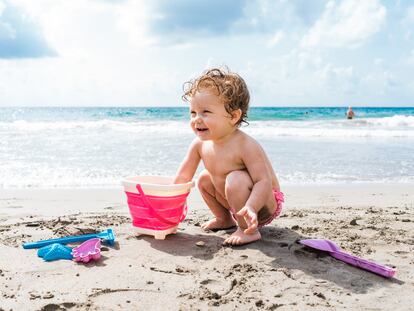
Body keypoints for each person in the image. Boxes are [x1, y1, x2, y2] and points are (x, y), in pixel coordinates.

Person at [174, 68, 284, 246]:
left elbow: (263, 181)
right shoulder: (199, 144)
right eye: (193, 112)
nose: (196, 119)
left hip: (261, 204)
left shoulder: (246, 145)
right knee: (204, 179)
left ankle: (248, 230)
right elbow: (182, 178)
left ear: (233, 116)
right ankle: (224, 219)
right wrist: (165, 200)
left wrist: (251, 207)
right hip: (233, 202)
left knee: (235, 179)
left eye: (205, 112)